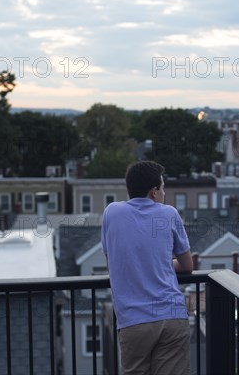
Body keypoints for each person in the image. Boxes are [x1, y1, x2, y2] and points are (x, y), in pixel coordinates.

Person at [102, 160, 193, 375]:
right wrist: (161, 263)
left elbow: (113, 259)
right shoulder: (169, 214)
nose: (164, 194)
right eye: (162, 188)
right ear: (154, 192)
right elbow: (187, 265)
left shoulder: (111, 213)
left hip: (133, 320)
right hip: (171, 316)